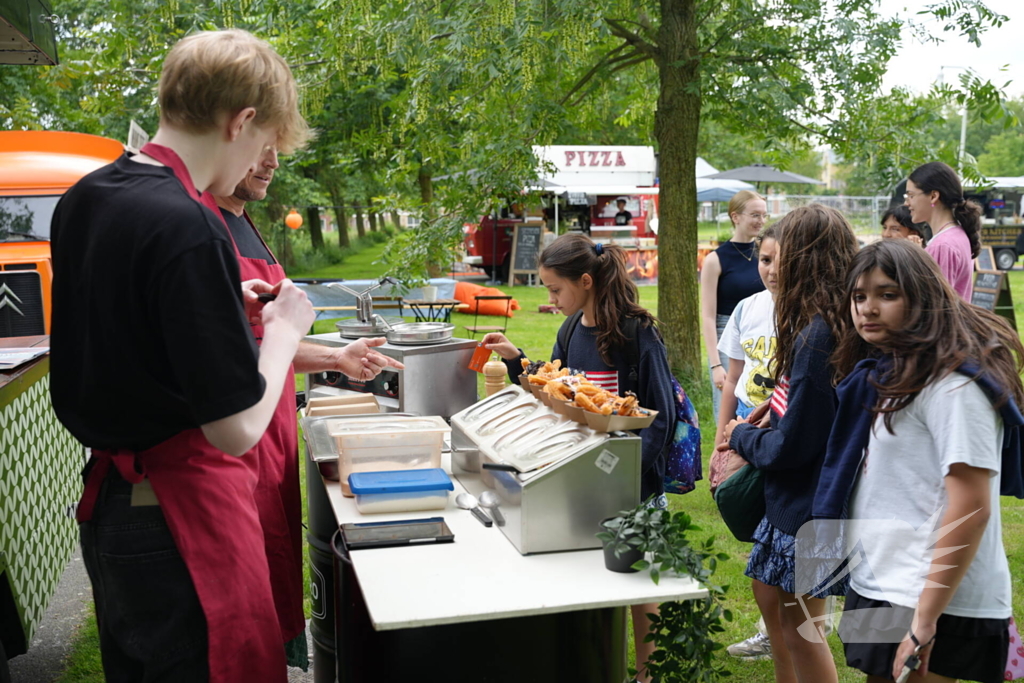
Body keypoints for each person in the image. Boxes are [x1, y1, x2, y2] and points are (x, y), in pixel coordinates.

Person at [51, 29, 315, 682]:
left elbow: (129, 329)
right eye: (265, 142)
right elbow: (235, 430)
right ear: (242, 121)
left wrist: (225, 299)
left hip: (113, 507)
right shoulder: (188, 225)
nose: (263, 156)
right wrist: (283, 331)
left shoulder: (90, 196)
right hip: (180, 527)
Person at [211, 146, 403, 667]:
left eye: (278, 149)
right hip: (234, 441)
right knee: (240, 598)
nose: (272, 161)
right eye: (260, 149)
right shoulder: (204, 228)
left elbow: (266, 338)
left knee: (273, 565)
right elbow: (227, 351)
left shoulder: (244, 219)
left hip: (273, 436)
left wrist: (336, 356)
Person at [481, 233, 677, 683]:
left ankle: (648, 676)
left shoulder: (637, 333)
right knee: (590, 577)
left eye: (555, 290)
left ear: (585, 280)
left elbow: (660, 419)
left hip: (632, 489)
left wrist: (626, 480)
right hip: (579, 480)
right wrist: (518, 363)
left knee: (639, 586)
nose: (549, 298)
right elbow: (556, 393)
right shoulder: (569, 330)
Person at [825, 239, 1017, 683]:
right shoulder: (895, 370)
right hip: (882, 582)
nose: (867, 309)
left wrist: (925, 621)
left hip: (933, 597)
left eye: (886, 294)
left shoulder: (954, 387)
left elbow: (971, 506)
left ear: (922, 298)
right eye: (859, 296)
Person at [720, 204, 858, 683]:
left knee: (803, 625)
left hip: (809, 505)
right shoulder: (821, 321)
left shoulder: (820, 333)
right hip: (800, 500)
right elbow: (802, 409)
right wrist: (773, 409)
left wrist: (741, 435)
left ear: (810, 258)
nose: (777, 266)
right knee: (777, 603)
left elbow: (793, 446)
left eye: (788, 255)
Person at [714, 225, 789, 669]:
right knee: (758, 529)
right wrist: (721, 439)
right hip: (746, 434)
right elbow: (733, 380)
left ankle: (785, 628)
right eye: (764, 259)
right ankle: (773, 629)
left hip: (780, 435)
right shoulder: (747, 308)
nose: (771, 269)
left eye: (780, 259)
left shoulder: (805, 316)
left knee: (779, 533)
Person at [701, 190, 767, 423]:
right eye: (755, 215)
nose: (760, 221)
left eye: (764, 215)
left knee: (759, 404)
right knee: (727, 410)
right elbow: (708, 316)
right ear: (735, 216)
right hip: (726, 337)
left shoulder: (766, 255)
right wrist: (715, 364)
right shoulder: (715, 259)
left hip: (762, 337)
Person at [904, 161, 982, 300]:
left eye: (911, 195)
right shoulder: (957, 235)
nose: (907, 203)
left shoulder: (942, 246)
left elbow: (935, 306)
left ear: (933, 196)